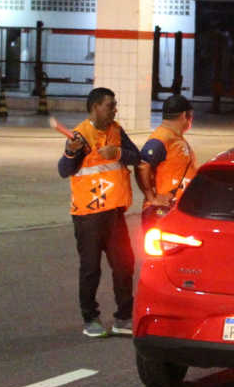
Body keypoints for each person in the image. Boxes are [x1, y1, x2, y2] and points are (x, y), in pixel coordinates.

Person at [56, 87, 141, 338]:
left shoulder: (116, 130)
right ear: (95, 107)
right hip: (88, 215)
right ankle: (90, 318)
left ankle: (124, 317)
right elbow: (64, 169)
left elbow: (135, 156)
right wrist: (71, 151)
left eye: (115, 105)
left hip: (114, 212)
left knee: (124, 265)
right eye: (110, 105)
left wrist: (118, 153)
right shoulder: (81, 135)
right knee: (91, 268)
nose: (115, 109)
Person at [137, 94, 197, 233]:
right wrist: (151, 197)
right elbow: (142, 165)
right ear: (184, 115)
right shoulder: (162, 138)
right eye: (191, 115)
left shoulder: (174, 137)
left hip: (175, 209)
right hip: (163, 212)